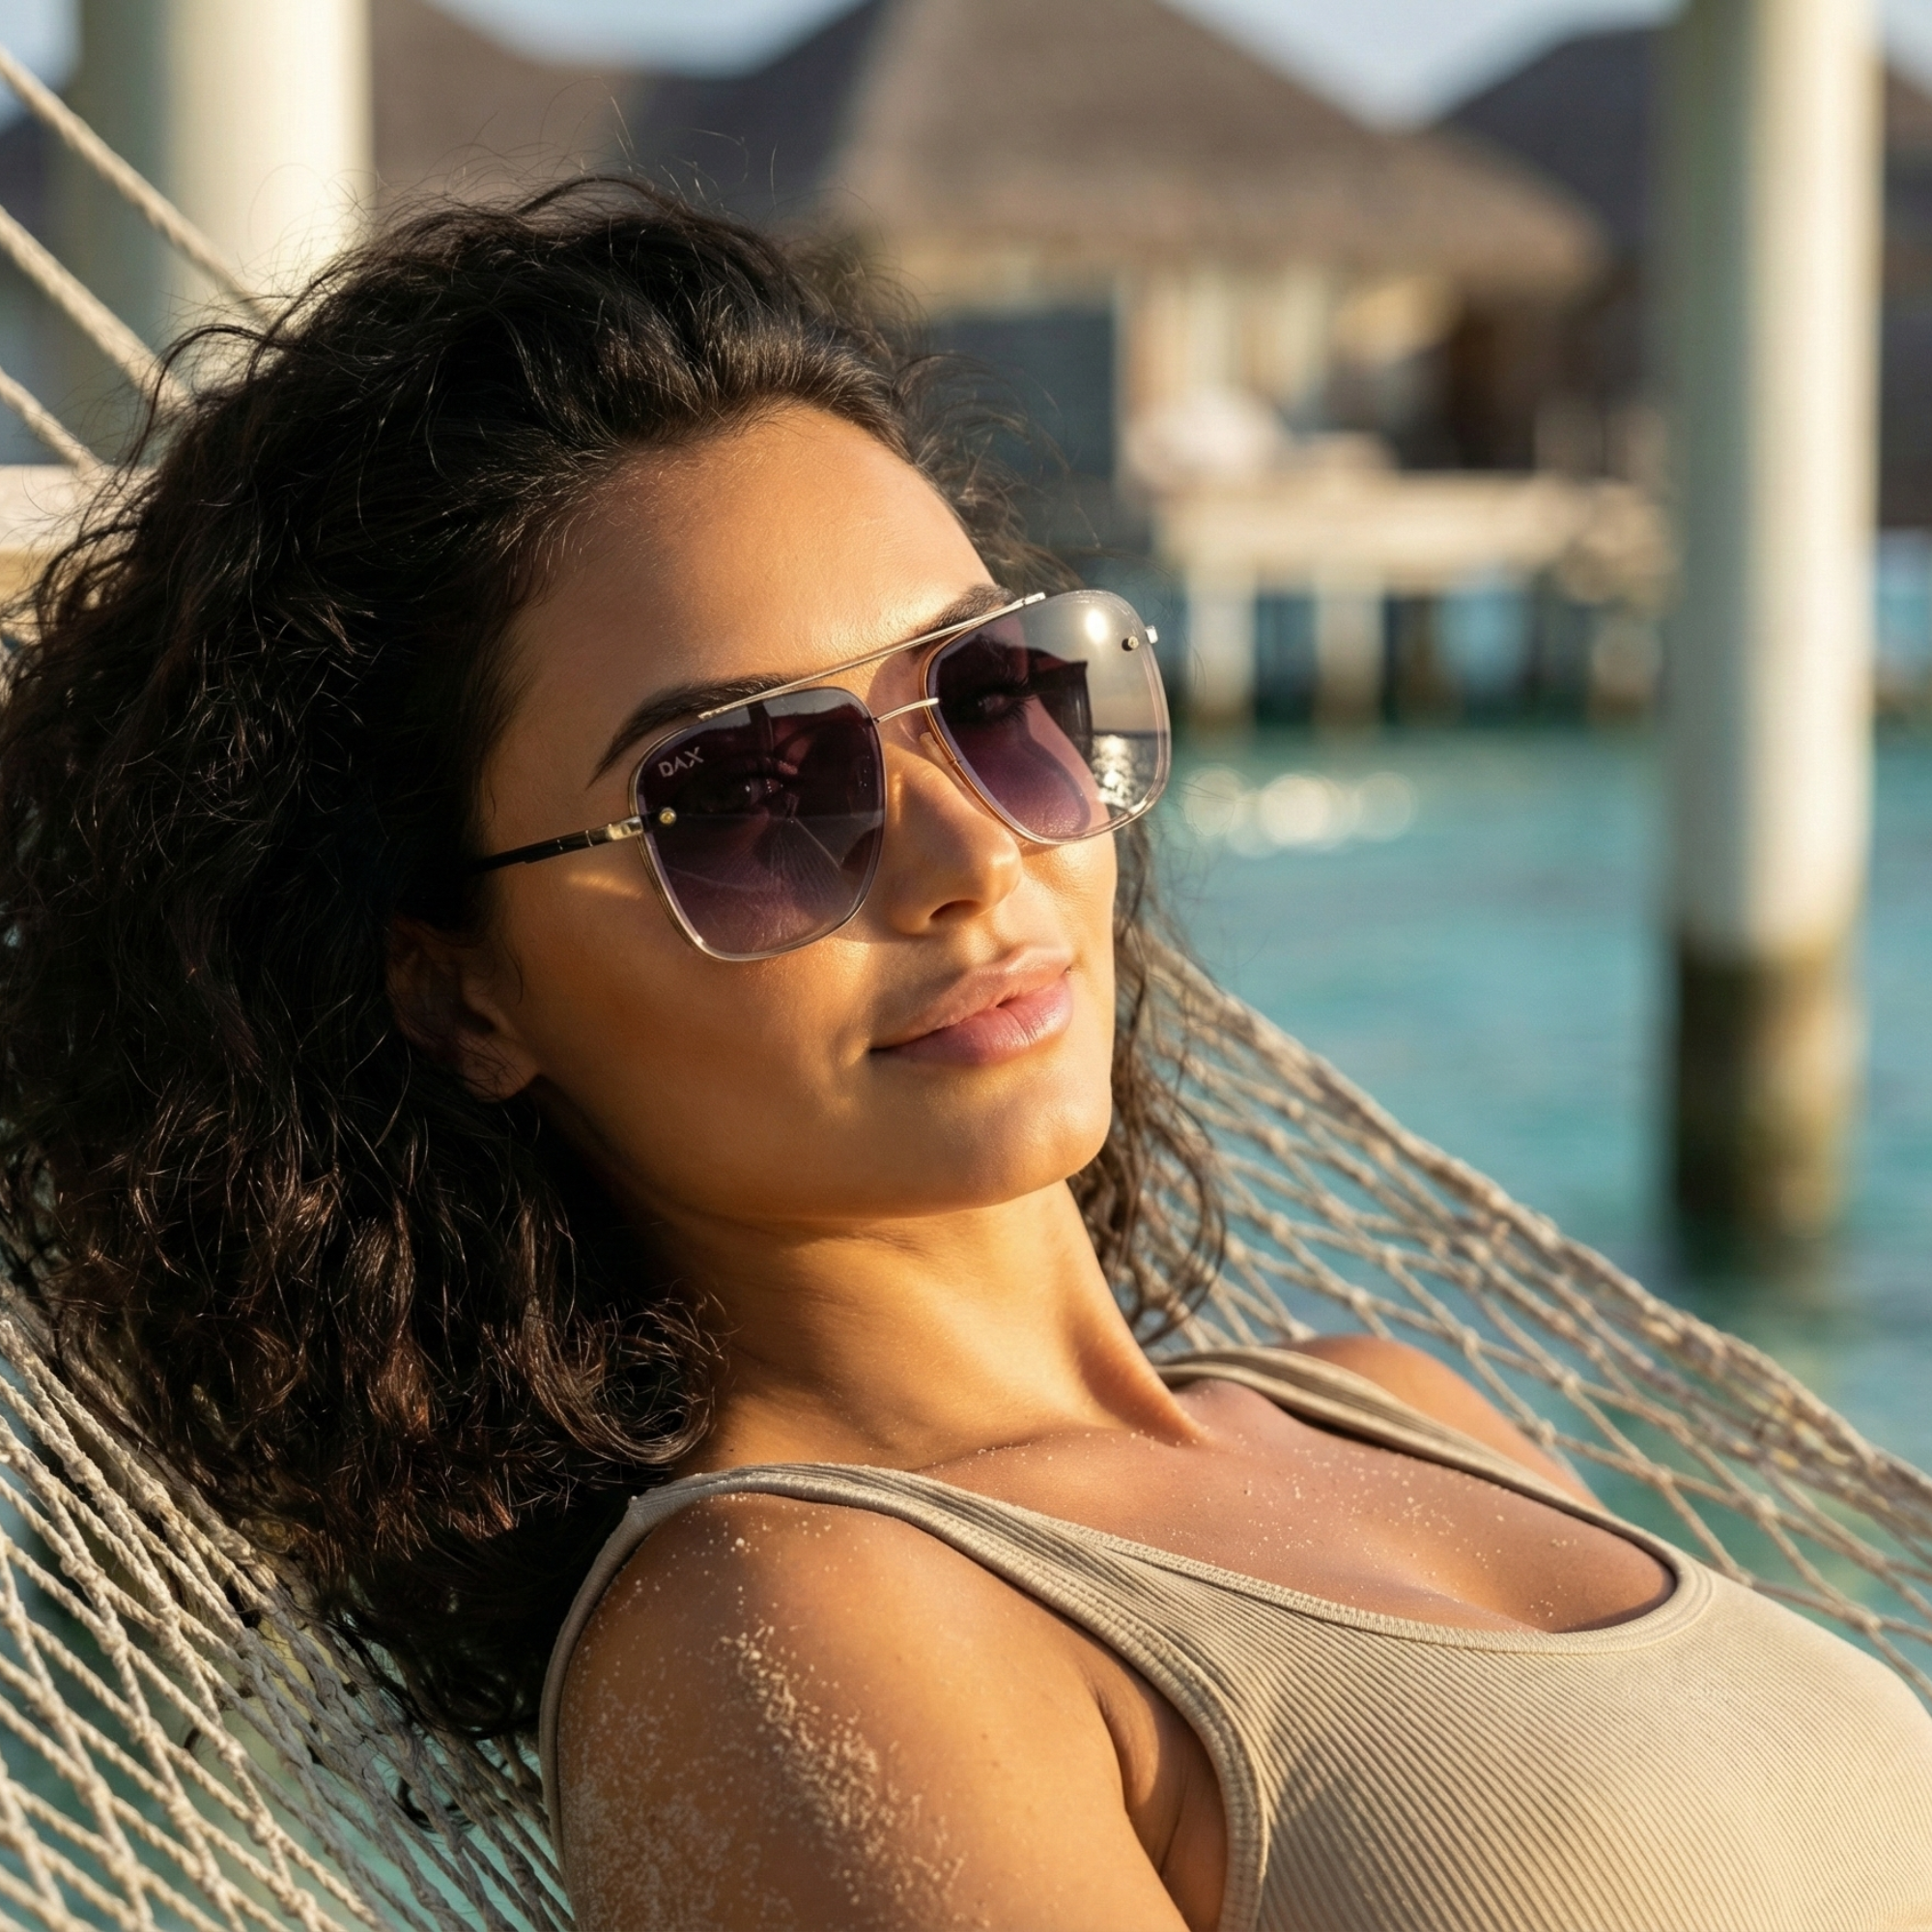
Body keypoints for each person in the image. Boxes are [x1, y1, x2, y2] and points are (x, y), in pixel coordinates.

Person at [0, 184, 1925, 1932]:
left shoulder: (1383, 1399)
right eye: (747, 794)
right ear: (458, 993)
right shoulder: (793, 1637)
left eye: (996, 696)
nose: (969, 850)